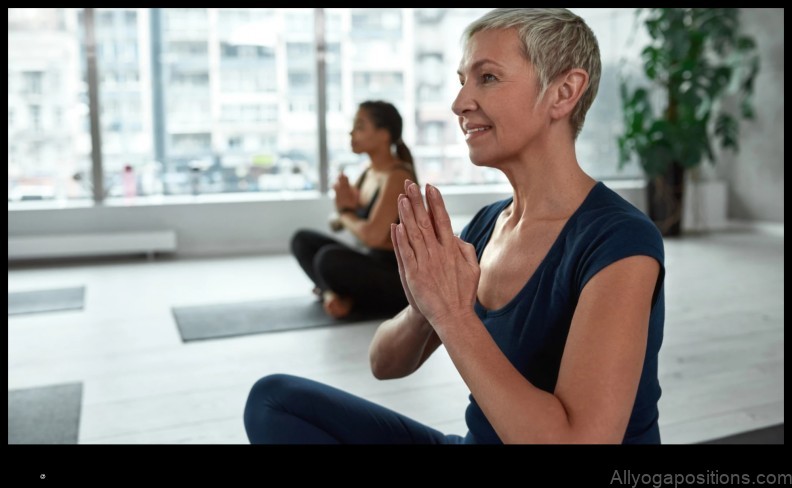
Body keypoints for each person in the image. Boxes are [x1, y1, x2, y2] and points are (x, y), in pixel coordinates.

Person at [245, 8, 665, 444]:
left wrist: (452, 315)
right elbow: (384, 364)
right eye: (462, 79)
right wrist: (425, 306)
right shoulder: (487, 225)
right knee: (274, 401)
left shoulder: (620, 240)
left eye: (487, 78)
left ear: (563, 91)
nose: (460, 102)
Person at [290, 100, 417, 319]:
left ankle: (340, 295)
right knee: (302, 240)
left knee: (328, 259)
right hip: (371, 260)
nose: (351, 133)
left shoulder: (398, 176)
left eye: (360, 126)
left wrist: (345, 212)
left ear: (383, 135)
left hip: (396, 277)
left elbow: (373, 237)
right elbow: (336, 224)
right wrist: (345, 207)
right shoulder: (368, 173)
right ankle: (332, 295)